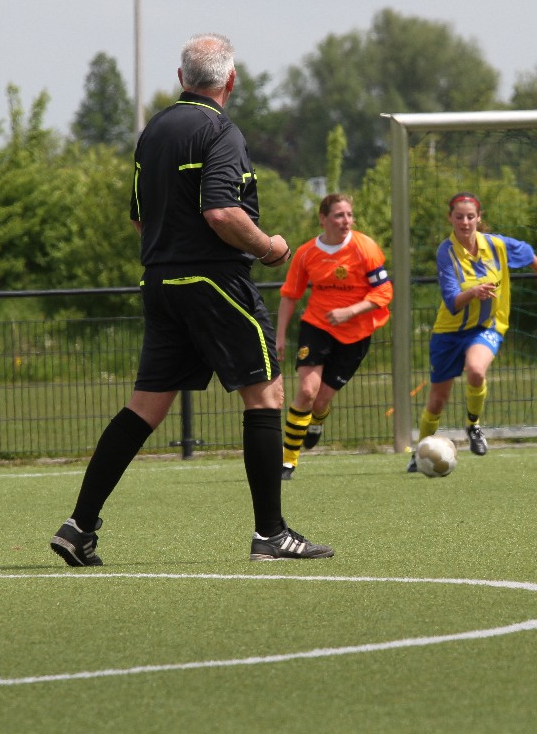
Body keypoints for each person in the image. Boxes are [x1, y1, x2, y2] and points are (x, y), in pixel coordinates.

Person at [49, 33, 332, 565]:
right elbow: (221, 212)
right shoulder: (220, 130)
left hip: (161, 282)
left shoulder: (153, 131)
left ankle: (78, 526)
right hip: (215, 282)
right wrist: (269, 247)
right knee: (267, 395)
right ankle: (271, 534)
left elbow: (139, 218)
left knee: (144, 407)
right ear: (231, 80)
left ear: (182, 78)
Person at [407, 191, 537, 471]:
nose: (465, 222)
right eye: (459, 217)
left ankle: (473, 425)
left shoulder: (496, 245)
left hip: (488, 325)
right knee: (437, 401)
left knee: (476, 370)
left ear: (478, 218)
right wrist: (474, 292)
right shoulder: (446, 252)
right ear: (450, 219)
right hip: (449, 332)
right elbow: (452, 302)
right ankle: (419, 454)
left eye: (470, 217)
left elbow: (526, 251)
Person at [276, 193, 393, 479]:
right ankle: (287, 461)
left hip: (356, 333)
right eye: (339, 215)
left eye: (349, 215)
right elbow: (290, 296)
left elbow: (384, 291)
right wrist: (279, 337)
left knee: (320, 401)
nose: (346, 221)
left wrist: (350, 311)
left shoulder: (365, 248)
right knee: (307, 391)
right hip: (317, 325)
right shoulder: (306, 253)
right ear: (323, 218)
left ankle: (317, 421)